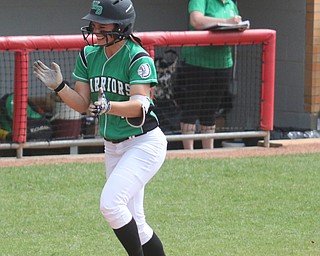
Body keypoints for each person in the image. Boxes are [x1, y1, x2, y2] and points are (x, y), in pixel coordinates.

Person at [33, 0, 167, 255]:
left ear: (122, 26)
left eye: (103, 24)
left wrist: (109, 107)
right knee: (136, 224)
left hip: (143, 143)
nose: (96, 28)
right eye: (94, 23)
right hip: (113, 146)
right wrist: (60, 87)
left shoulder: (138, 58)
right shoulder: (89, 55)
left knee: (111, 204)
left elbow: (140, 105)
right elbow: (83, 104)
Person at [179, 0, 242, 150]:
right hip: (198, 62)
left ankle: (209, 153)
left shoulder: (230, 4)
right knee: (191, 108)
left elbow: (235, 23)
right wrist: (226, 21)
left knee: (211, 110)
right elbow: (196, 20)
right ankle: (189, 154)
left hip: (223, 63)